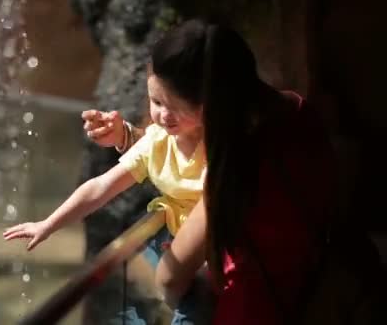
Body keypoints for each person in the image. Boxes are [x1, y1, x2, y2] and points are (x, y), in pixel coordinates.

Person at [125, 18, 340, 325]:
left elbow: (170, 277)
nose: (160, 115)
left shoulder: (235, 166)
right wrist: (128, 137)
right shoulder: (297, 110)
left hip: (249, 310)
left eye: (171, 105)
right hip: (307, 281)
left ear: (204, 106)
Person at [3, 29, 216, 323]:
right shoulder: (156, 141)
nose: (165, 116)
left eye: (177, 107)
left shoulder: (222, 149)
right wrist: (49, 224)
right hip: (172, 250)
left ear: (206, 103)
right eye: (156, 103)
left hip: (214, 261)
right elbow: (101, 187)